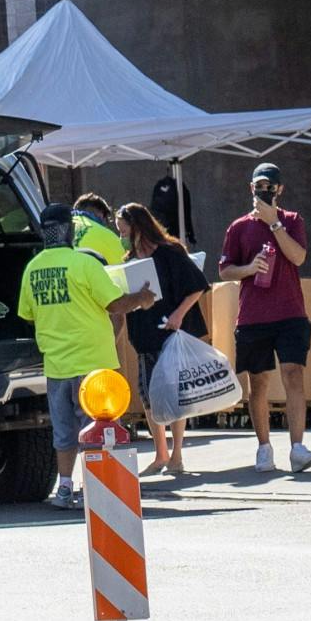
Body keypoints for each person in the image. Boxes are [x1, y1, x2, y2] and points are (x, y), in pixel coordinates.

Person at [17, 204, 155, 510]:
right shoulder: (84, 264)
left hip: (56, 366)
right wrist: (142, 299)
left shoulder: (33, 269)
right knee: (102, 429)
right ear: (69, 229)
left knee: (64, 432)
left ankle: (64, 489)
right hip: (94, 365)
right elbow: (116, 304)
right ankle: (98, 488)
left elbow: (27, 314)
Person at [218, 163, 311, 473]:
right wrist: (249, 268)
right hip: (253, 317)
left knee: (293, 374)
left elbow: (299, 257)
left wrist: (275, 224)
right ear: (251, 188)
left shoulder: (291, 221)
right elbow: (224, 270)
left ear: (280, 189)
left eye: (271, 186)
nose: (265, 190)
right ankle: (264, 447)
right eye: (260, 185)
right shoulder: (238, 227)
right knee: (258, 383)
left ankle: (298, 447)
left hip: (290, 312)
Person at [116, 202, 209, 478]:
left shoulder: (170, 253)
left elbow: (197, 287)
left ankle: (177, 455)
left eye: (123, 229)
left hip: (169, 332)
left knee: (174, 394)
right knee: (149, 396)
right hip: (144, 335)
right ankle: (160, 454)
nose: (121, 234)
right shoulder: (129, 260)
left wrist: (178, 315)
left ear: (137, 227)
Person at [71, 194, 127, 264]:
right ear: (101, 215)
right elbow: (123, 270)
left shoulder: (61, 230)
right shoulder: (108, 237)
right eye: (106, 220)